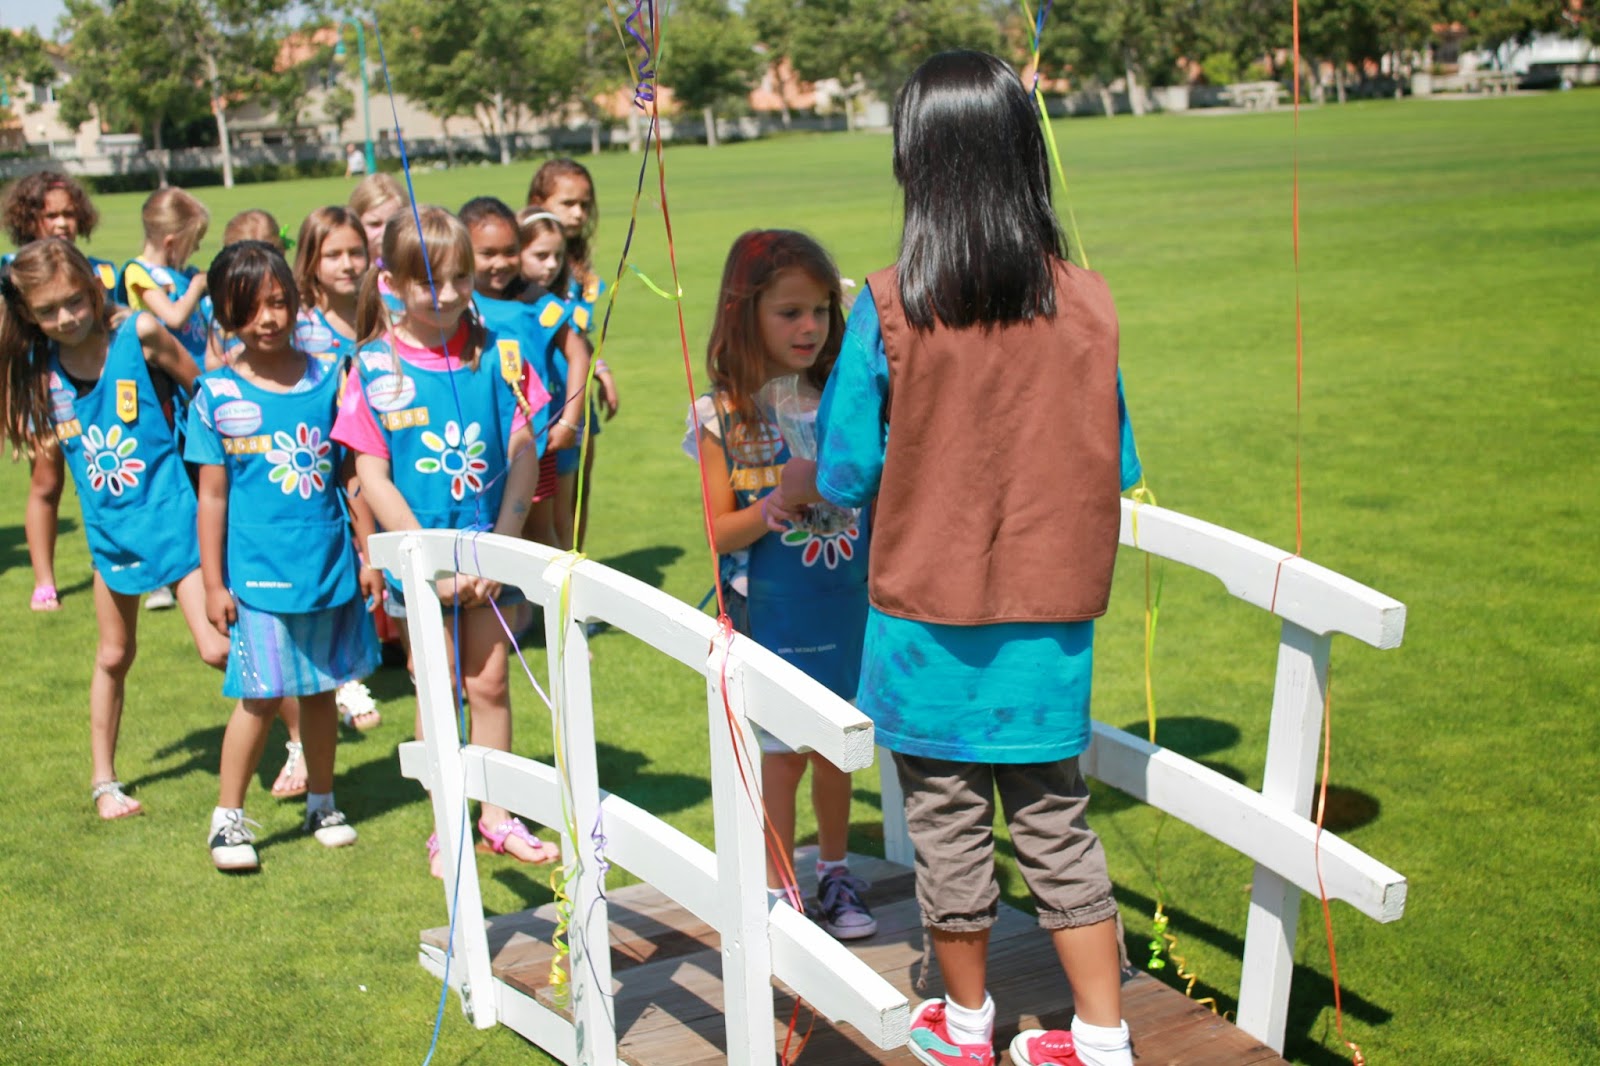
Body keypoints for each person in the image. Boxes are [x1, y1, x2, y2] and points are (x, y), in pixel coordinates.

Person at [766, 51, 1142, 1066]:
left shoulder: (889, 303)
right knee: (1056, 823)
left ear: (918, 168)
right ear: (1023, 158)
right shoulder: (1090, 299)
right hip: (1049, 621)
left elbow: (845, 470)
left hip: (926, 618)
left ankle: (967, 1025)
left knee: (947, 827)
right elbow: (1120, 457)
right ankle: (1101, 1036)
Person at [332, 205, 558, 876]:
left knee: (489, 684)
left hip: (489, 558)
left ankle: (496, 817)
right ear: (394, 283)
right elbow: (369, 471)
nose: (452, 293)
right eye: (432, 281)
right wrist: (426, 558)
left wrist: (503, 541)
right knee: (437, 695)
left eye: (461, 277)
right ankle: (447, 825)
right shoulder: (372, 365)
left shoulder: (501, 352)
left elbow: (523, 446)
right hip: (420, 570)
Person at [686, 229, 875, 942]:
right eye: (789, 312)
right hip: (769, 616)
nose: (809, 328)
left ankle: (835, 871)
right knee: (782, 754)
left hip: (846, 606)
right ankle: (780, 888)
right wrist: (771, 509)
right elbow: (716, 534)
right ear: (745, 313)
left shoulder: (843, 401)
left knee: (838, 745)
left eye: (822, 312)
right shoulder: (721, 416)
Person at [0, 239, 230, 819]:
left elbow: (203, 391)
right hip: (110, 539)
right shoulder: (40, 374)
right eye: (48, 311)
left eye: (75, 301)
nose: (66, 318)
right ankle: (105, 784)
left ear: (93, 287)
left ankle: (303, 741)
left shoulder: (139, 335)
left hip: (175, 524)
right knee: (112, 655)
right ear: (29, 314)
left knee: (216, 647)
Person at [186, 240, 380, 871]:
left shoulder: (332, 377)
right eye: (250, 307)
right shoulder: (213, 393)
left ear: (297, 301)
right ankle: (229, 819)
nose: (269, 318)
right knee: (262, 698)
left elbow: (353, 476)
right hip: (255, 579)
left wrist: (368, 553)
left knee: (323, 691)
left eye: (278, 302)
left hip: (326, 568)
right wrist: (214, 584)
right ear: (224, 314)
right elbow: (211, 498)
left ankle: (322, 801)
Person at [1, 170, 116, 612]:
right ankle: (44, 581)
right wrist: (11, 402)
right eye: (52, 215)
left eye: (70, 213)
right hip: (40, 394)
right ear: (30, 218)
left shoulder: (94, 268)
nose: (64, 223)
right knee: (46, 481)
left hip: (96, 393)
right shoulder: (13, 273)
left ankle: (118, 561)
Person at [462, 197, 592, 551]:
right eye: (487, 253)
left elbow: (578, 352)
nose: (501, 263)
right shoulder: (457, 301)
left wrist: (569, 421)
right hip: (479, 441)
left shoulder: (534, 300)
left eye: (510, 251)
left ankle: (548, 607)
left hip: (533, 443)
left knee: (539, 535)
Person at [526, 159, 615, 551]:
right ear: (538, 202)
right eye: (568, 203)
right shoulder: (527, 265)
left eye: (585, 204)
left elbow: (578, 337)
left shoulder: (576, 268)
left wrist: (600, 368)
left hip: (578, 404)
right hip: (544, 410)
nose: (579, 213)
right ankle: (555, 604)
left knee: (579, 502)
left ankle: (578, 593)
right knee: (552, 513)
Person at [120, 186, 211, 371]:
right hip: (170, 374)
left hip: (199, 366)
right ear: (170, 243)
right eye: (193, 243)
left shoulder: (182, 273)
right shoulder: (139, 272)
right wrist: (197, 285)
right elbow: (174, 318)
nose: (196, 249)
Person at [291, 206, 368, 369]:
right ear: (310, 260)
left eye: (355, 253)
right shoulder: (299, 329)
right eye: (333, 255)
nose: (347, 265)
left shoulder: (383, 317)